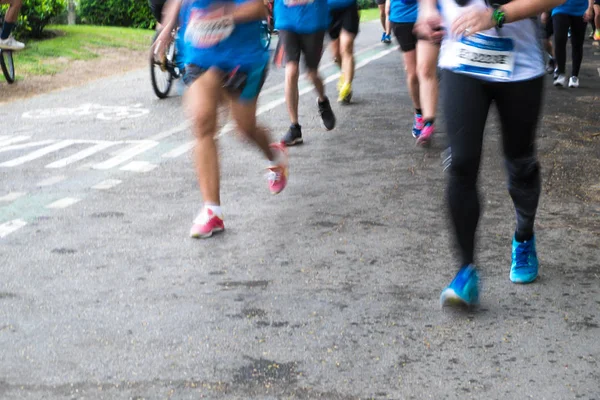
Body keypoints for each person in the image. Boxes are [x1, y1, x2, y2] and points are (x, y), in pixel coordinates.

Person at [416, 0, 566, 308]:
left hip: (520, 66)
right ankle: (465, 272)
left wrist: (496, 15)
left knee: (521, 162)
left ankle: (524, 236)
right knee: (461, 163)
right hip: (461, 58)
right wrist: (427, 9)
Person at [154, 0, 289, 239]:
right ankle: (212, 210)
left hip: (242, 56)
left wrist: (224, 16)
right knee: (202, 121)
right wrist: (167, 28)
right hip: (199, 52)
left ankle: (275, 156)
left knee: (245, 129)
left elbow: (259, 8)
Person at [274, 0, 336, 146]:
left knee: (311, 73)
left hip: (314, 19)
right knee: (291, 69)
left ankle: (322, 101)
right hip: (286, 19)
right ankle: (294, 127)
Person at [387, 0, 439, 145]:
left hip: (429, 17)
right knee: (413, 73)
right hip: (402, 17)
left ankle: (429, 122)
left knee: (426, 69)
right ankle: (419, 114)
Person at [552, 0, 594, 88]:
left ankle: (574, 76)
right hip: (560, 8)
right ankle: (561, 73)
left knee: (577, 43)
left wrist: (590, 8)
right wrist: (545, 11)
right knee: (559, 39)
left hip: (580, 10)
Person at [328, 0, 360, 104]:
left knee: (346, 46)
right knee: (336, 54)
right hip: (328, 10)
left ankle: (347, 86)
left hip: (348, 7)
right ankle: (344, 74)